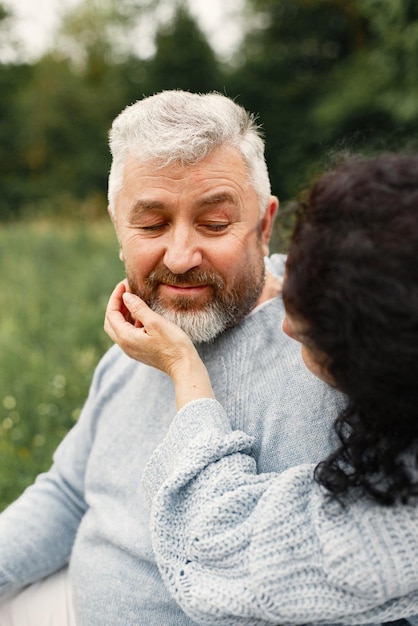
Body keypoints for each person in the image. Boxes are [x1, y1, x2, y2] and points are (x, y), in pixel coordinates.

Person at [0, 90, 413, 626]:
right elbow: (67, 492)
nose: (179, 257)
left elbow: (240, 559)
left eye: (215, 224)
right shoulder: (140, 335)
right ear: (117, 229)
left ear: (265, 227)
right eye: (150, 225)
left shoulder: (342, 354)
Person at [104, 153, 418, 625]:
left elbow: (221, 547)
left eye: (311, 332)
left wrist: (183, 369)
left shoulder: (393, 530)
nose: (283, 325)